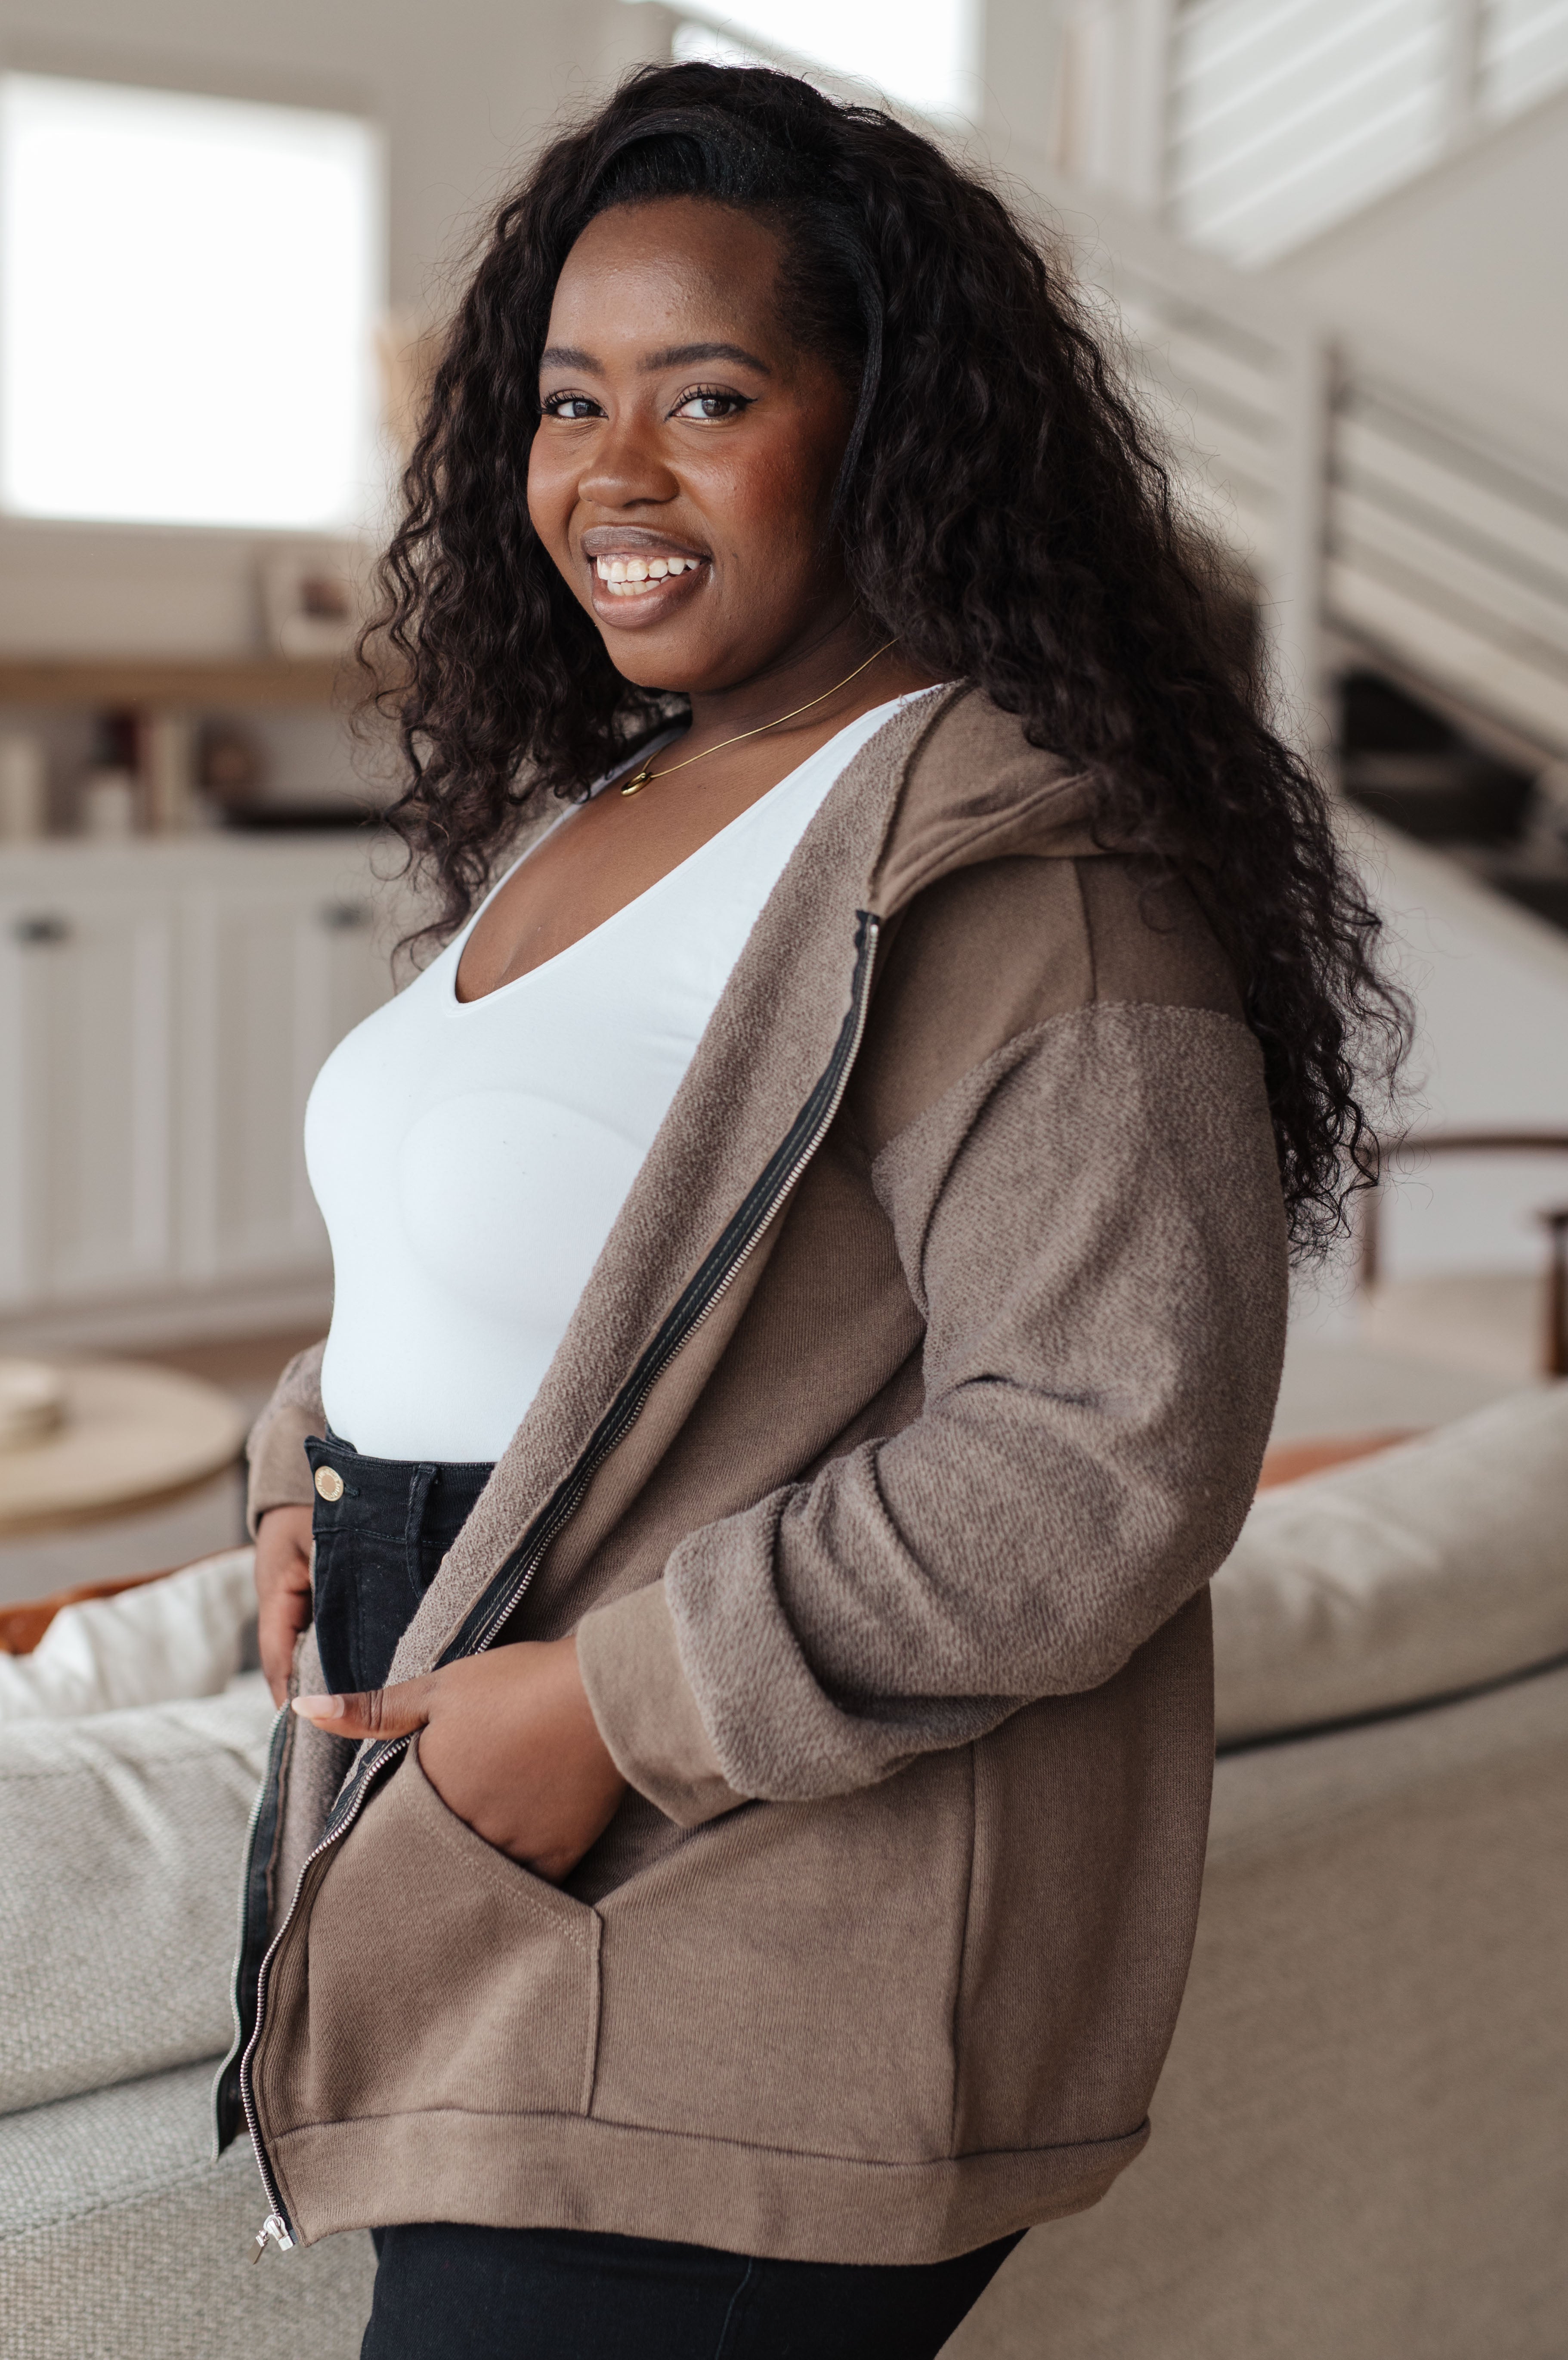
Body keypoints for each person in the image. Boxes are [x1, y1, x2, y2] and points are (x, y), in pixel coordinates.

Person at [221, 62, 1402, 2360]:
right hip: (485, 1861)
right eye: (567, 402)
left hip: (742, 1892)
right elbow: (549, 1279)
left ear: (883, 433)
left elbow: (1101, 1454)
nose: (612, 474)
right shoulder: (602, 809)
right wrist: (308, 1469)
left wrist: (607, 1709)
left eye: (710, 395)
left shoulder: (1019, 870)